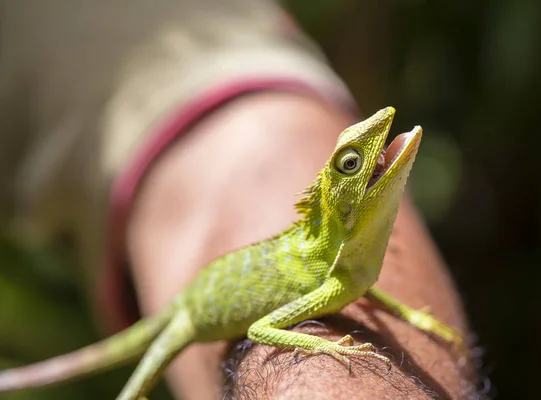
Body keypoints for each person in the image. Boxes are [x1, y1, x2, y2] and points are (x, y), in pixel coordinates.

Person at [0, 0, 476, 398]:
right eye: (350, 165)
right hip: (189, 314)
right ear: (345, 205)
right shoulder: (332, 277)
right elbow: (259, 330)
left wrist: (408, 313)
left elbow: (359, 281)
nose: (380, 132)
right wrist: (325, 347)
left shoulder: (347, 266)